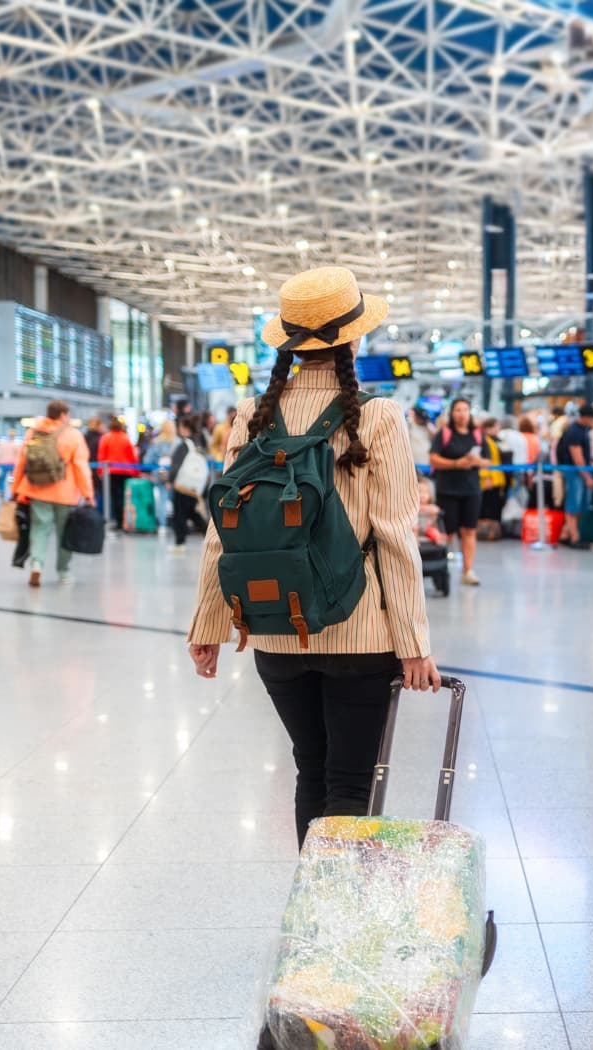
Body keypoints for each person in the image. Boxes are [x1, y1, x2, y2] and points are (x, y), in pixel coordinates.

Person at [186, 265, 437, 849]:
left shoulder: (252, 413)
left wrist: (209, 626)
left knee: (312, 771)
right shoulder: (377, 415)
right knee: (351, 782)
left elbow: (222, 532)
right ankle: (340, 905)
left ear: (290, 341)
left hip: (274, 628)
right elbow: (395, 535)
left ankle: (315, 897)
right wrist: (414, 642)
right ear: (354, 338)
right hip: (360, 629)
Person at [11, 400, 95, 588]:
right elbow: (81, 466)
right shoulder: (72, 435)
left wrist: (15, 489)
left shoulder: (33, 432)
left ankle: (37, 565)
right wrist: (88, 493)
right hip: (65, 493)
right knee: (65, 534)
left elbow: (22, 462)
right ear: (63, 415)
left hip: (37, 490)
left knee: (39, 530)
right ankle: (63, 571)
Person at [429, 399, 491, 583]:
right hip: (447, 490)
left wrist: (477, 461)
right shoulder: (444, 434)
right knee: (447, 532)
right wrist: (457, 463)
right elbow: (433, 458)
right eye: (458, 410)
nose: (462, 414)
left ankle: (468, 570)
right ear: (452, 413)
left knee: (469, 530)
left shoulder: (478, 434)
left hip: (471, 490)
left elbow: (487, 460)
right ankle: (441, 570)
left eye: (465, 410)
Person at [555, 401, 593, 549]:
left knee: (579, 505)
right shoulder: (575, 432)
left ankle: (565, 534)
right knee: (573, 505)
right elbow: (577, 457)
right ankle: (574, 537)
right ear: (586, 417)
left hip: (579, 472)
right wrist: (587, 477)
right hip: (575, 473)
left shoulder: (582, 430)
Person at [166, 415, 206, 553]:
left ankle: (180, 542)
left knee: (179, 515)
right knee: (193, 512)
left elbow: (176, 466)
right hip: (195, 486)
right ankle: (209, 534)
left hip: (182, 486)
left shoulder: (183, 446)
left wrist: (170, 480)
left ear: (184, 428)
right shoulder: (198, 443)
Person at [97, 417, 140, 531]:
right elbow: (132, 457)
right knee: (126, 498)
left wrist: (100, 471)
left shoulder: (106, 438)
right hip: (126, 472)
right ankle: (126, 522)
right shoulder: (125, 438)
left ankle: (118, 522)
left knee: (115, 498)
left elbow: (102, 456)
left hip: (111, 472)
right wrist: (136, 472)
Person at [143, 418, 180, 533]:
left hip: (160, 474)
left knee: (162, 499)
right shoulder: (178, 442)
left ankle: (162, 525)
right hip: (175, 475)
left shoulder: (156, 442)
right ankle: (177, 524)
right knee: (176, 500)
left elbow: (147, 461)